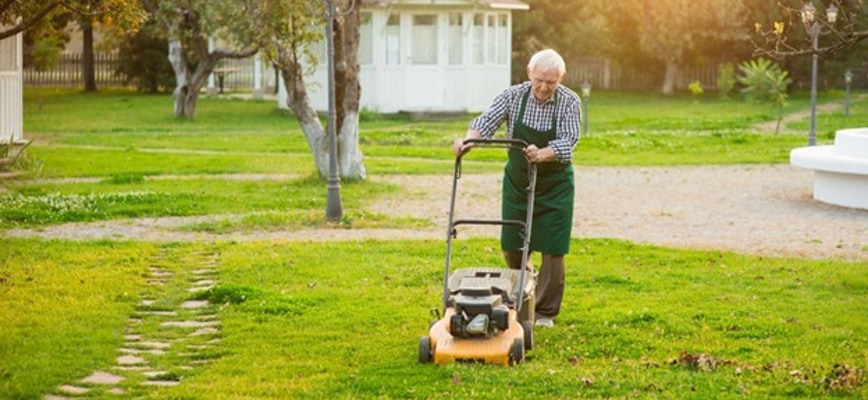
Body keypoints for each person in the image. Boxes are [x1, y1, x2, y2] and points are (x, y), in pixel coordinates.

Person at [452, 49, 581, 328]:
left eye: (551, 82)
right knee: (512, 243)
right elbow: (486, 122)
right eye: (539, 80)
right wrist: (468, 142)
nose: (544, 87)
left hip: (555, 183)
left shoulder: (570, 101)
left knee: (553, 247)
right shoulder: (513, 96)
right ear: (528, 73)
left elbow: (569, 140)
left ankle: (545, 312)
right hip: (518, 182)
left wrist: (544, 153)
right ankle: (524, 287)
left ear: (561, 79)